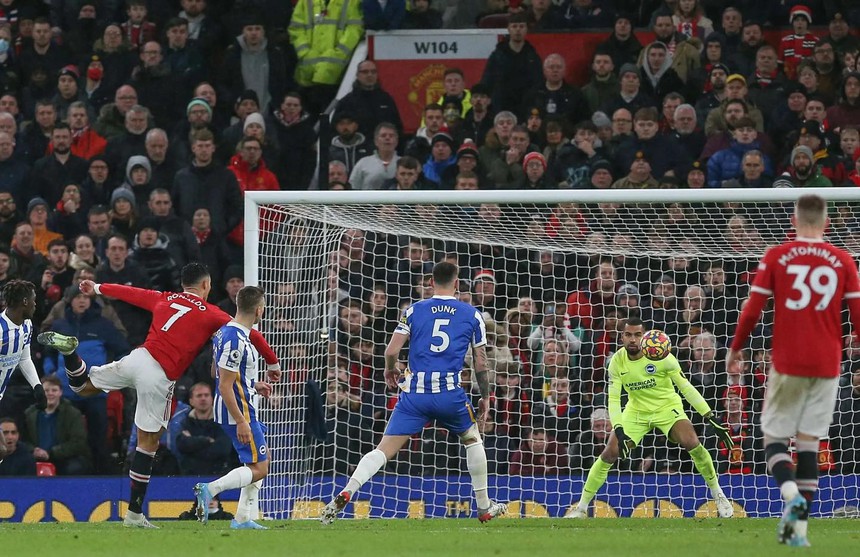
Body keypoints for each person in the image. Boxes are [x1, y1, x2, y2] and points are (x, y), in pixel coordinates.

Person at [37, 262, 280, 528]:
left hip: (137, 358)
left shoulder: (164, 298)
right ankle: (134, 515)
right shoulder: (212, 313)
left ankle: (71, 353)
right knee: (148, 444)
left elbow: (129, 293)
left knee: (82, 387)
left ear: (183, 285)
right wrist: (272, 361)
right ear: (206, 285)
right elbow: (248, 332)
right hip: (159, 376)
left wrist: (95, 287)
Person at [320, 261, 506, 524]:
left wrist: (389, 369)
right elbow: (480, 363)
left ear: (431, 282)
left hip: (414, 396)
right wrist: (486, 396)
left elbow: (391, 352)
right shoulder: (472, 314)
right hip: (450, 394)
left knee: (383, 449)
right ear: (457, 284)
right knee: (472, 438)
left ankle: (348, 490)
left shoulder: (414, 310)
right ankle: (485, 506)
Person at [727, 194, 860, 547]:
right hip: (829, 365)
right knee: (809, 444)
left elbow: (752, 310)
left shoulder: (777, 256)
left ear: (794, 220)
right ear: (827, 222)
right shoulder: (843, 260)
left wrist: (736, 347)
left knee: (773, 437)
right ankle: (797, 530)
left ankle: (790, 496)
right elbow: (859, 318)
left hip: (788, 362)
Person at [567, 317, 734, 519]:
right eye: (628, 335)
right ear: (622, 337)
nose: (633, 340)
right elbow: (613, 399)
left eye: (637, 335)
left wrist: (709, 415)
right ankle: (582, 508)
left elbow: (686, 388)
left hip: (667, 407)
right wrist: (619, 429)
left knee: (692, 442)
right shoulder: (616, 362)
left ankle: (718, 495)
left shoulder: (662, 356)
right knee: (609, 452)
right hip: (636, 411)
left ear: (644, 336)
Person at [194, 286, 273, 530]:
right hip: (238, 410)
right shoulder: (235, 339)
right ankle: (211, 490)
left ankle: (242, 518)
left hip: (241, 403)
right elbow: (225, 385)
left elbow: (215, 372)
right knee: (260, 468)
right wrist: (241, 421)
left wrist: (252, 384)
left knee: (260, 460)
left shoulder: (224, 333)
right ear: (259, 310)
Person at [0, 280, 47, 420]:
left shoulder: (26, 324)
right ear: (25, 301)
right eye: (34, 300)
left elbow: (24, 358)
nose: (35, 304)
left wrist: (37, 386)